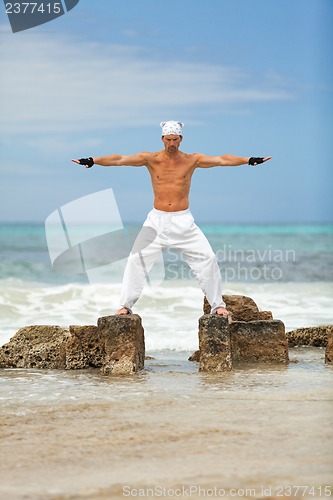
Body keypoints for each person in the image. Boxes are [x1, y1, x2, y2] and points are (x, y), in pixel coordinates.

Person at [72, 121, 271, 317]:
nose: (172, 144)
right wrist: (93, 160)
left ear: (181, 139)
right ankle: (125, 305)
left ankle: (217, 305)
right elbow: (119, 159)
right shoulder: (150, 159)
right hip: (156, 221)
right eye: (168, 139)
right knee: (135, 260)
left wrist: (249, 160)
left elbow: (222, 160)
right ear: (162, 139)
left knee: (208, 259)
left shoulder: (192, 160)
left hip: (183, 221)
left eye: (175, 139)